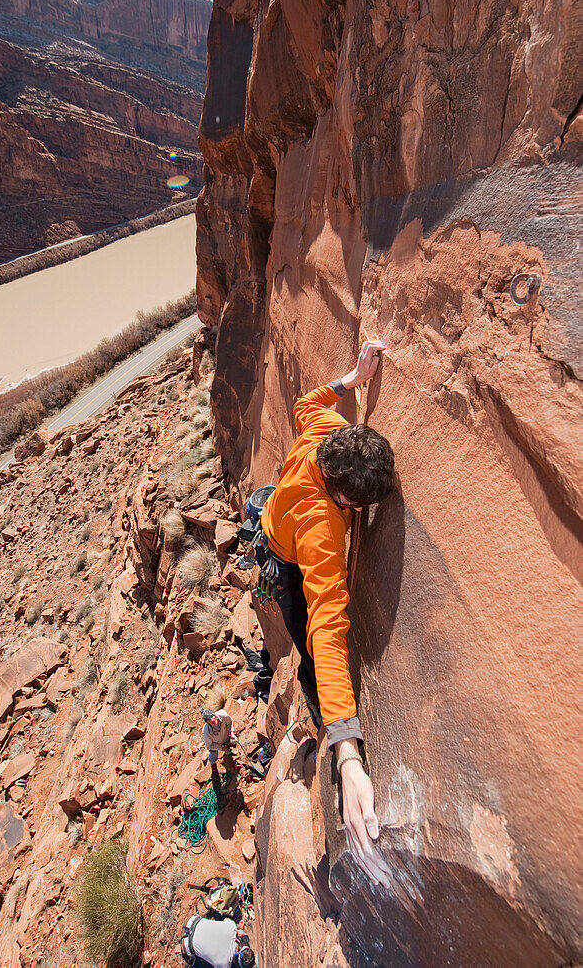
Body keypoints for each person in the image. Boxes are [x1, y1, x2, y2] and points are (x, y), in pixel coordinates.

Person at [257, 340, 395, 886]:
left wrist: (353, 380)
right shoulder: (323, 529)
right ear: (344, 499)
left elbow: (305, 404)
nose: (360, 515)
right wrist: (348, 753)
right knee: (314, 657)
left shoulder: (323, 437)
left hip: (271, 509)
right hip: (286, 557)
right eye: (358, 507)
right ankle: (325, 720)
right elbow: (328, 629)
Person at [181, 913, 255, 968]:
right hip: (187, 944)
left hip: (192, 921)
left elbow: (226, 920)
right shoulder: (224, 965)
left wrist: (237, 932)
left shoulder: (232, 927)